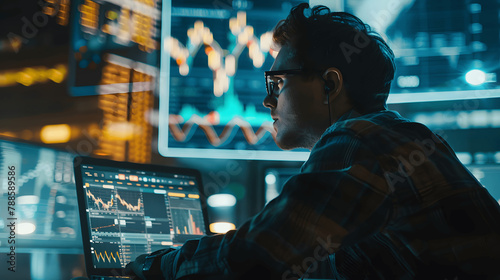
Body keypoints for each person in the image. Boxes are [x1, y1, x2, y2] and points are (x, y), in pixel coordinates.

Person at [126, 3, 500, 279]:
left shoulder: (359, 140)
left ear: (330, 85)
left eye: (278, 83)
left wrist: (151, 266)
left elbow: (260, 253)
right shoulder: (401, 137)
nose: (267, 100)